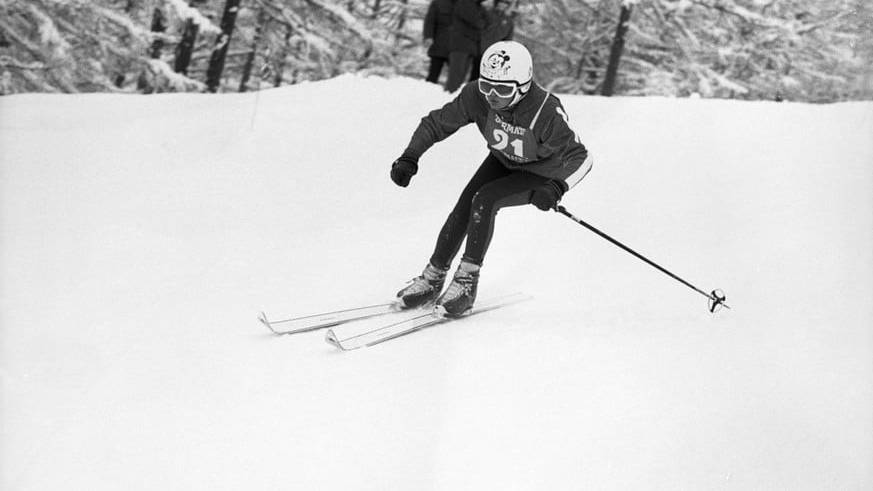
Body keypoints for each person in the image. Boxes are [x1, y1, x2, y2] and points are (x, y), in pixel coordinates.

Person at [390, 41, 592, 316]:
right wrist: (410, 156)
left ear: (523, 86)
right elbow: (436, 123)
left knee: (484, 200)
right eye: (487, 86)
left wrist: (557, 186)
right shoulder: (476, 96)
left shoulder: (544, 110)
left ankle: (466, 282)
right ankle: (433, 277)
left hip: (540, 172)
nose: (493, 96)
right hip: (502, 160)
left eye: (504, 89)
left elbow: (582, 157)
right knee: (465, 204)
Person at [444, 0, 487, 93]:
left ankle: (452, 97)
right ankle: (447, 96)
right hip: (460, 44)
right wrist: (481, 22)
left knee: (461, 76)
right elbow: (476, 21)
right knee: (455, 76)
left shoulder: (478, 6)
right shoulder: (465, 3)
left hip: (470, 46)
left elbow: (483, 22)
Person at [423, 0, 455, 84]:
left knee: (455, 79)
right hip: (439, 44)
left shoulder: (466, 5)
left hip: (458, 49)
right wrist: (428, 37)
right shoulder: (438, 3)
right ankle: (425, 93)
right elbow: (430, 21)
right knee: (433, 76)